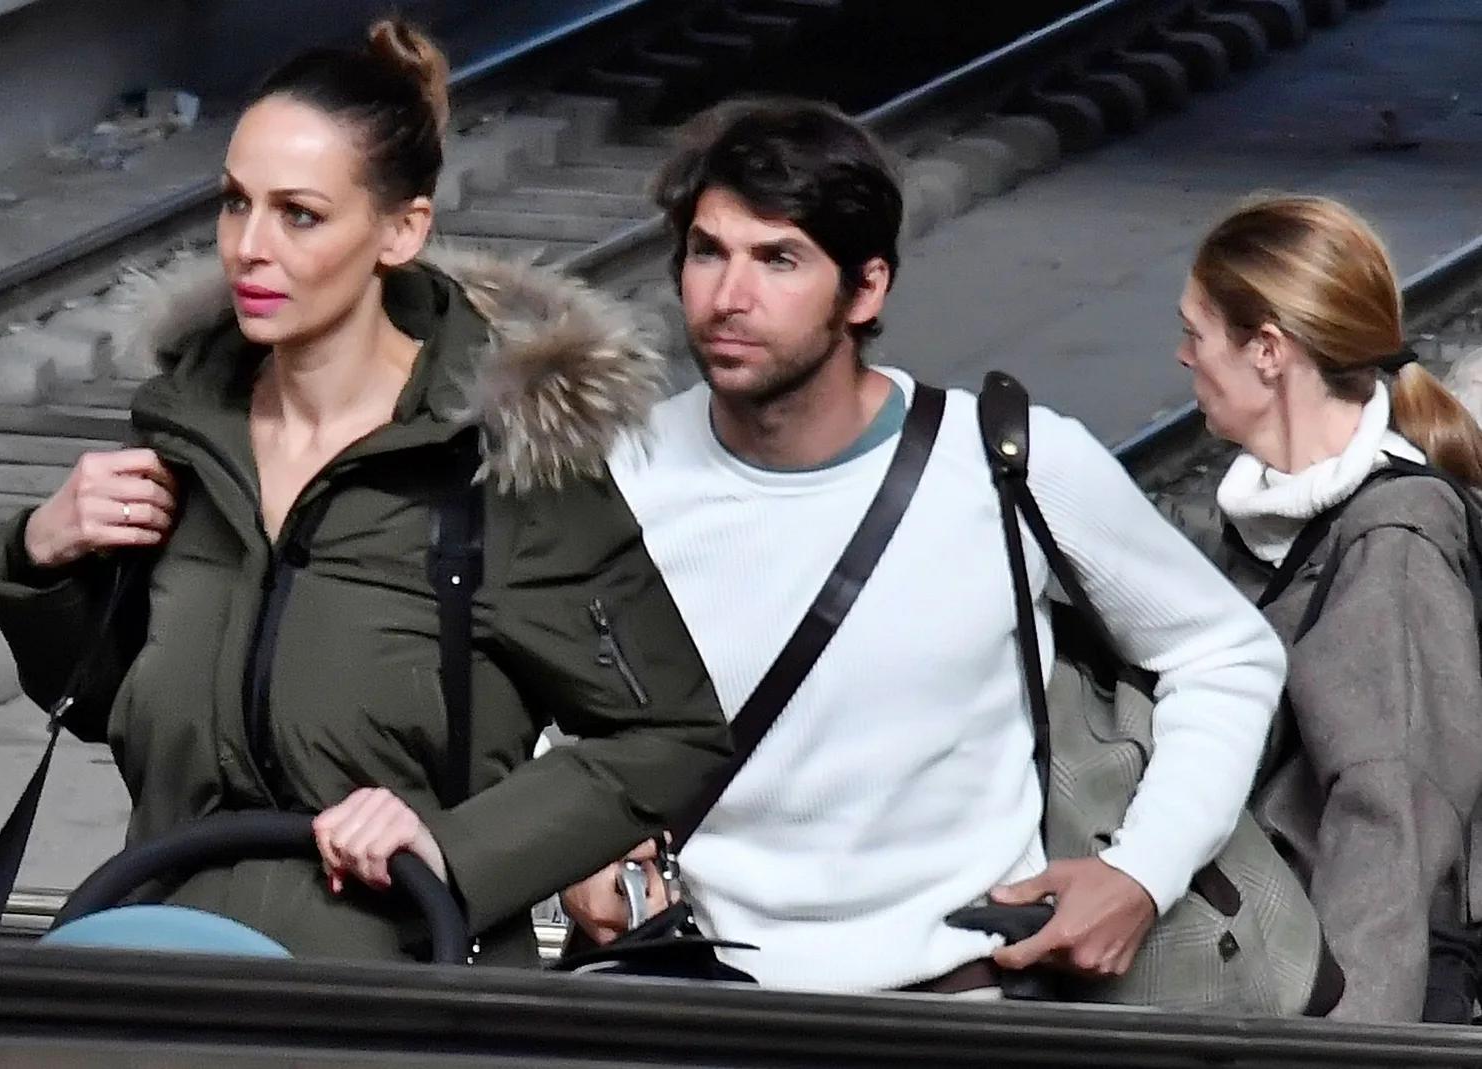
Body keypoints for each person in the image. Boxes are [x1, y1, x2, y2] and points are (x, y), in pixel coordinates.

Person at [0, 18, 732, 965]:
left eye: (300, 214)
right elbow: (107, 704)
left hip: (392, 1002)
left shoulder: (498, 466)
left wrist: (453, 850)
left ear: (401, 230)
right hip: (163, 973)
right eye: (235, 203)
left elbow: (670, 736)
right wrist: (42, 560)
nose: (249, 247)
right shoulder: (188, 437)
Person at [558, 97, 1289, 997]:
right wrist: (574, 847)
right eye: (708, 252)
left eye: (779, 259)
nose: (728, 297)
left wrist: (1143, 872)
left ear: (867, 288)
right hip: (692, 994)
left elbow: (1226, 654)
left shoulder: (1006, 462)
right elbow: (530, 704)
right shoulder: (618, 475)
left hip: (957, 1003)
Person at [1165, 194, 1482, 1023]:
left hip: (1337, 999)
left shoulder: (1393, 539)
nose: (1183, 355)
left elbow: (1391, 823)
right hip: (1270, 970)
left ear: (1268, 350)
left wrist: (1341, 1049)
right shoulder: (1275, 525)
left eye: (1196, 333)